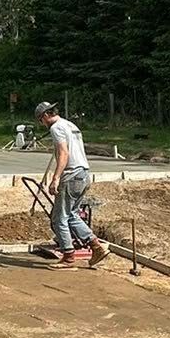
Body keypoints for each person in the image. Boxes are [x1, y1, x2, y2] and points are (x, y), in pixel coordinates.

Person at [34, 100, 108, 267]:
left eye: (41, 120)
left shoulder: (56, 128)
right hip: (83, 174)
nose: (42, 123)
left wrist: (56, 178)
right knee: (72, 215)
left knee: (58, 218)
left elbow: (63, 153)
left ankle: (68, 256)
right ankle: (97, 246)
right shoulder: (70, 125)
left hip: (71, 176)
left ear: (46, 115)